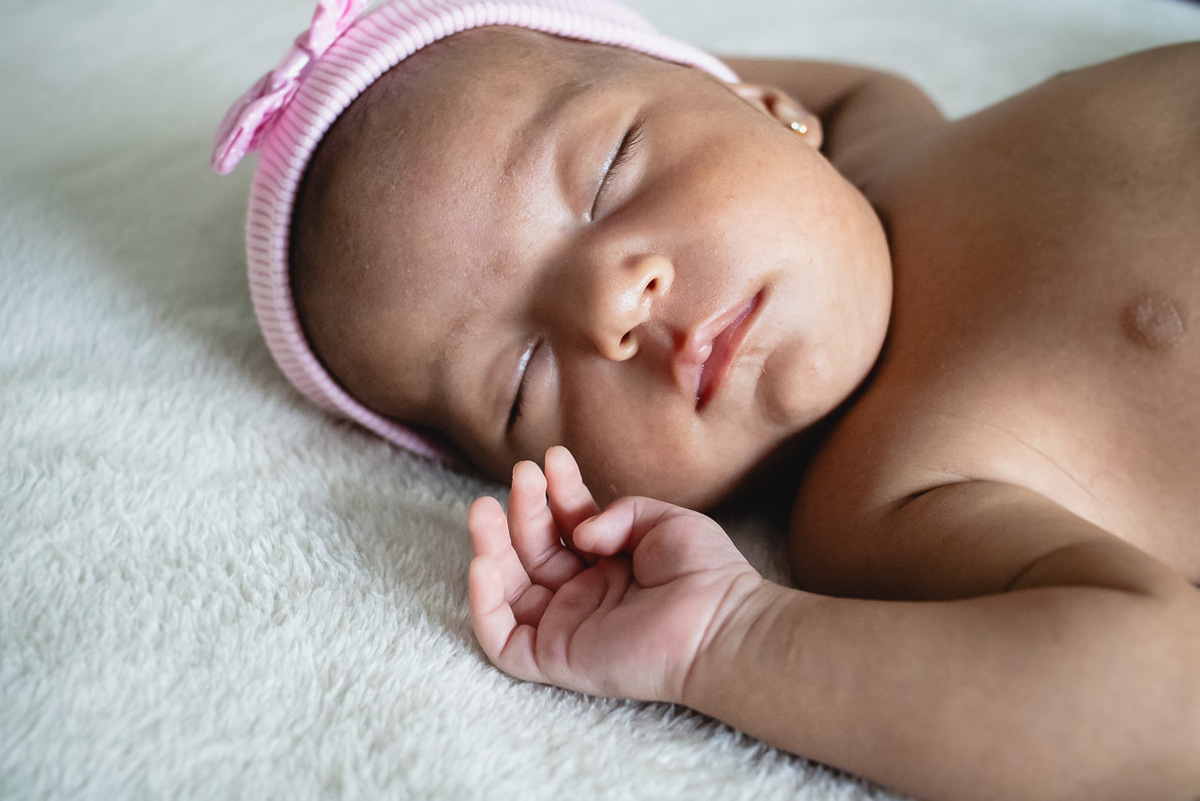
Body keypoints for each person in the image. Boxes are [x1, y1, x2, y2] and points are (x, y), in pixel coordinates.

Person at [212, 1, 1200, 798]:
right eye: (520, 381)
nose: (610, 307)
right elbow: (1162, 703)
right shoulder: (893, 503)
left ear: (769, 107)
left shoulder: (873, 129)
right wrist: (729, 643)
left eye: (610, 172)